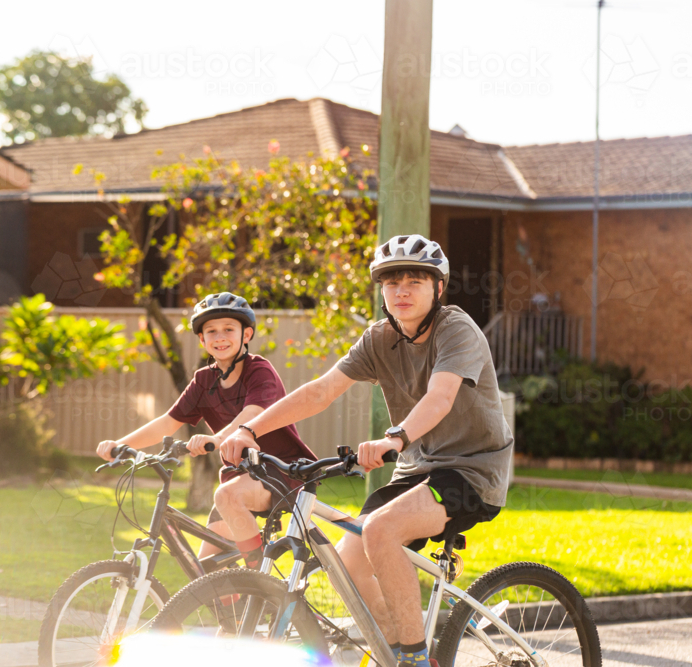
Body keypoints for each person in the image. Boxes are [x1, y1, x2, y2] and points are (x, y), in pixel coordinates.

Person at [220, 235, 513, 667]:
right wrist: (249, 428)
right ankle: (399, 648)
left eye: (416, 280)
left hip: (473, 471)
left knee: (380, 531)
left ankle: (413, 659)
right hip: (416, 469)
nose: (403, 291)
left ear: (438, 287)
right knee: (347, 560)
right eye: (392, 282)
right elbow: (320, 391)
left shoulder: (456, 329)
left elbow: (440, 397)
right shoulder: (379, 338)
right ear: (381, 290)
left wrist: (394, 438)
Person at [97, 292, 316, 569]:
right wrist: (120, 445)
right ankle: (240, 612)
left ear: (246, 334)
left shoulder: (259, 370)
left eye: (228, 329)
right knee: (207, 571)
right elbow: (168, 422)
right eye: (211, 331)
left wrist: (217, 438)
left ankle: (263, 584)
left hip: (281, 470)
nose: (219, 337)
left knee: (226, 495)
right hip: (242, 475)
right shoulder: (204, 380)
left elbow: (253, 413)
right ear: (202, 339)